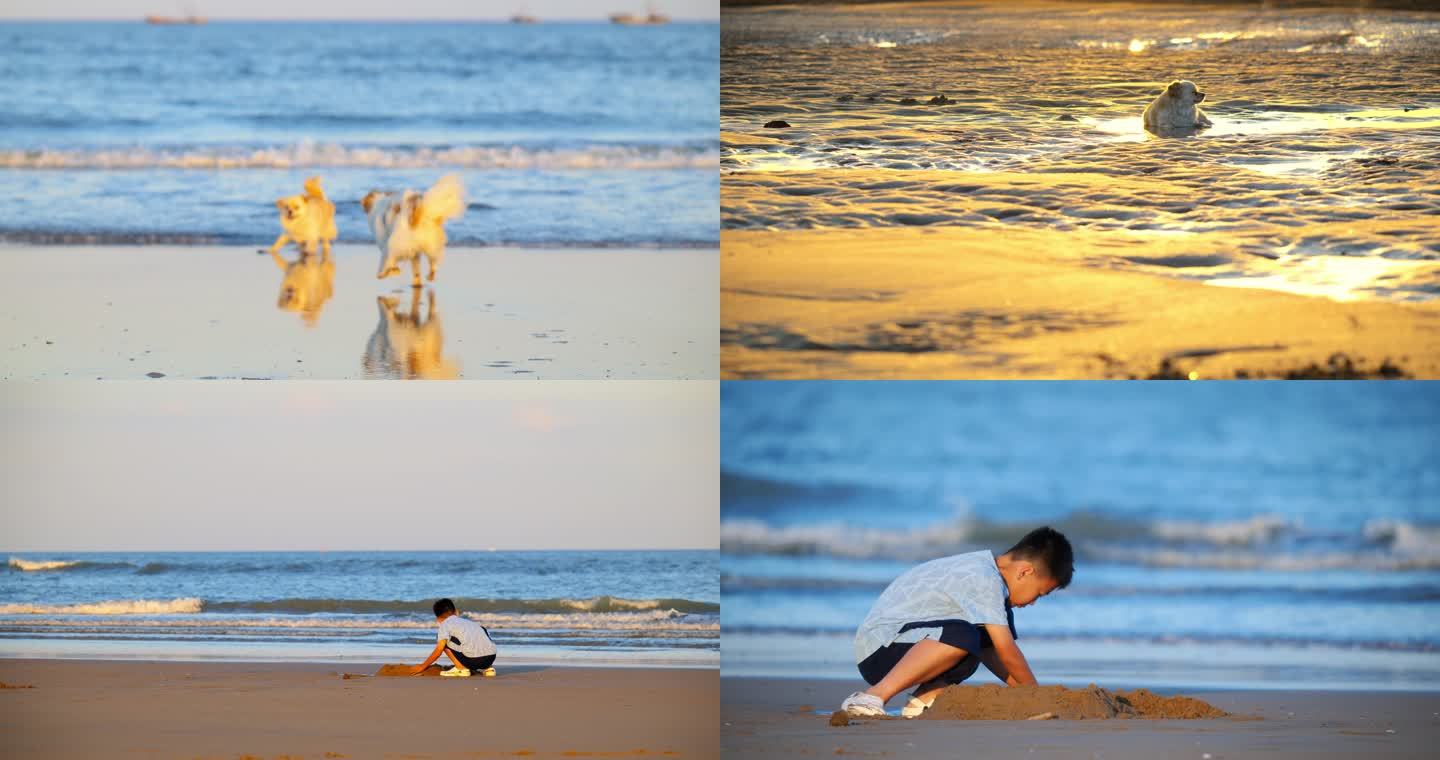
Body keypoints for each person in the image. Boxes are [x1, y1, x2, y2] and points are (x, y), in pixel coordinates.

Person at [839, 526, 1073, 717]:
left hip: (905, 645)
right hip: (879, 649)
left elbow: (997, 655)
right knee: (964, 636)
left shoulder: (991, 585)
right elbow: (1007, 650)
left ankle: (924, 699)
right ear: (1025, 572)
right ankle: (872, 696)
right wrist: (1038, 697)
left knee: (980, 638)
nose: (1033, 602)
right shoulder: (984, 578)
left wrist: (1027, 696)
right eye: (1040, 594)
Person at [409, 598, 498, 677]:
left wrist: (422, 666)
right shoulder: (471, 623)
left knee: (442, 638)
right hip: (490, 658)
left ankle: (461, 669)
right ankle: (489, 669)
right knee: (480, 633)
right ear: (456, 612)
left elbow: (438, 650)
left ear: (438, 618)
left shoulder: (445, 624)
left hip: (473, 661)